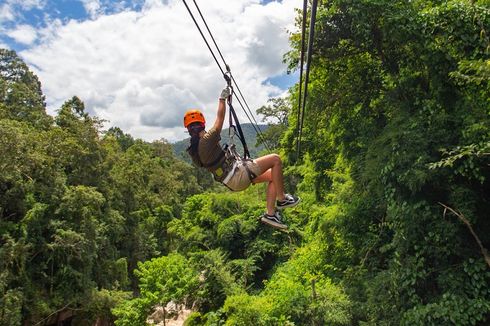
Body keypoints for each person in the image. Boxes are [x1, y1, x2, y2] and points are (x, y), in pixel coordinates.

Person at [184, 86, 300, 229]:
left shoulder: (195, 149)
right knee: (275, 159)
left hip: (232, 181)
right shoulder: (207, 140)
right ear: (202, 124)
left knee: (273, 177)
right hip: (237, 174)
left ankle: (271, 214)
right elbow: (220, 119)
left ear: (188, 129)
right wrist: (222, 99)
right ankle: (282, 199)